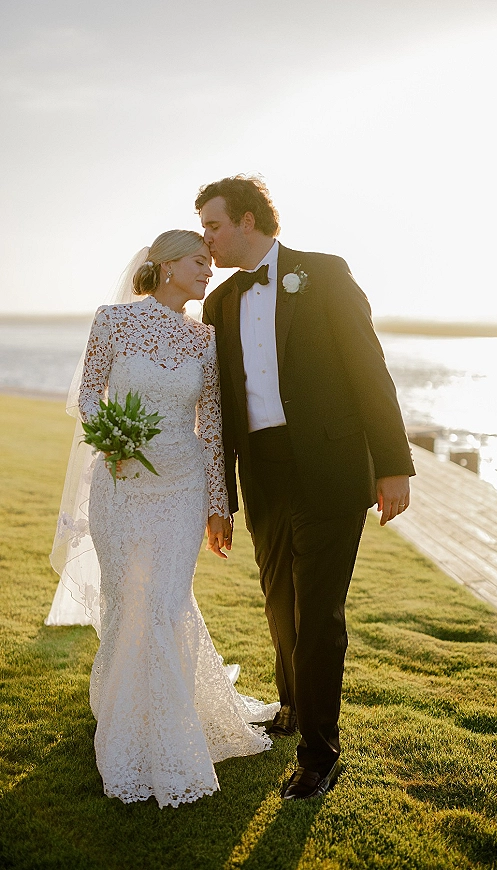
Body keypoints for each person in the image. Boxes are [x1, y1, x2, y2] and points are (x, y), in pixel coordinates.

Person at [196, 177, 416, 800]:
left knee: (317, 614)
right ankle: (291, 703)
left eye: (213, 227)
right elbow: (224, 408)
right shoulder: (221, 302)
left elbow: (368, 368)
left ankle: (320, 754)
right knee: (277, 601)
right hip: (263, 473)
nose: (207, 241)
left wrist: (392, 465)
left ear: (246, 220)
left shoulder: (323, 274)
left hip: (328, 469)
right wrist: (224, 499)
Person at [46, 230, 278, 808]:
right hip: (121, 483)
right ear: (168, 265)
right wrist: (112, 437)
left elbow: (214, 426)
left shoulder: (207, 339)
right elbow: (89, 392)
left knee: (166, 600)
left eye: (209, 262)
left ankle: (166, 732)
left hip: (181, 488)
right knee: (128, 600)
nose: (209, 270)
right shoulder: (113, 320)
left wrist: (218, 503)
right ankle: (122, 712)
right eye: (199, 262)